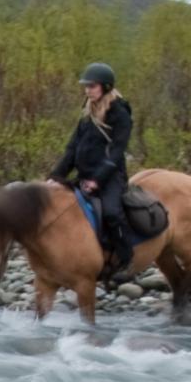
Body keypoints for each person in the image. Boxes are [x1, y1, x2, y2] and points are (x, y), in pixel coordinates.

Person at [51, 63, 138, 273]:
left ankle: (125, 259)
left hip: (111, 177)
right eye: (86, 86)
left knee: (111, 213)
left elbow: (117, 151)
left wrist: (97, 180)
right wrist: (56, 176)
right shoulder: (87, 112)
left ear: (105, 87)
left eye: (92, 85)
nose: (88, 89)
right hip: (85, 174)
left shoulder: (119, 113)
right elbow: (72, 148)